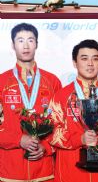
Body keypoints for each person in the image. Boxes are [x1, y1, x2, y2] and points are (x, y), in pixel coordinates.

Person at [48, 39, 98, 182]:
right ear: (74, 62)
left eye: (95, 59)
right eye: (84, 58)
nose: (90, 63)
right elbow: (51, 132)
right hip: (70, 172)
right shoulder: (61, 96)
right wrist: (80, 139)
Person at [0, 23, 62, 182]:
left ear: (37, 44)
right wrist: (18, 139)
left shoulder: (52, 81)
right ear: (13, 45)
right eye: (20, 40)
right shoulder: (2, 82)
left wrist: (46, 147)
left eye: (30, 40)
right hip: (10, 172)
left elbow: (60, 124)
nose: (25, 45)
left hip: (44, 171)